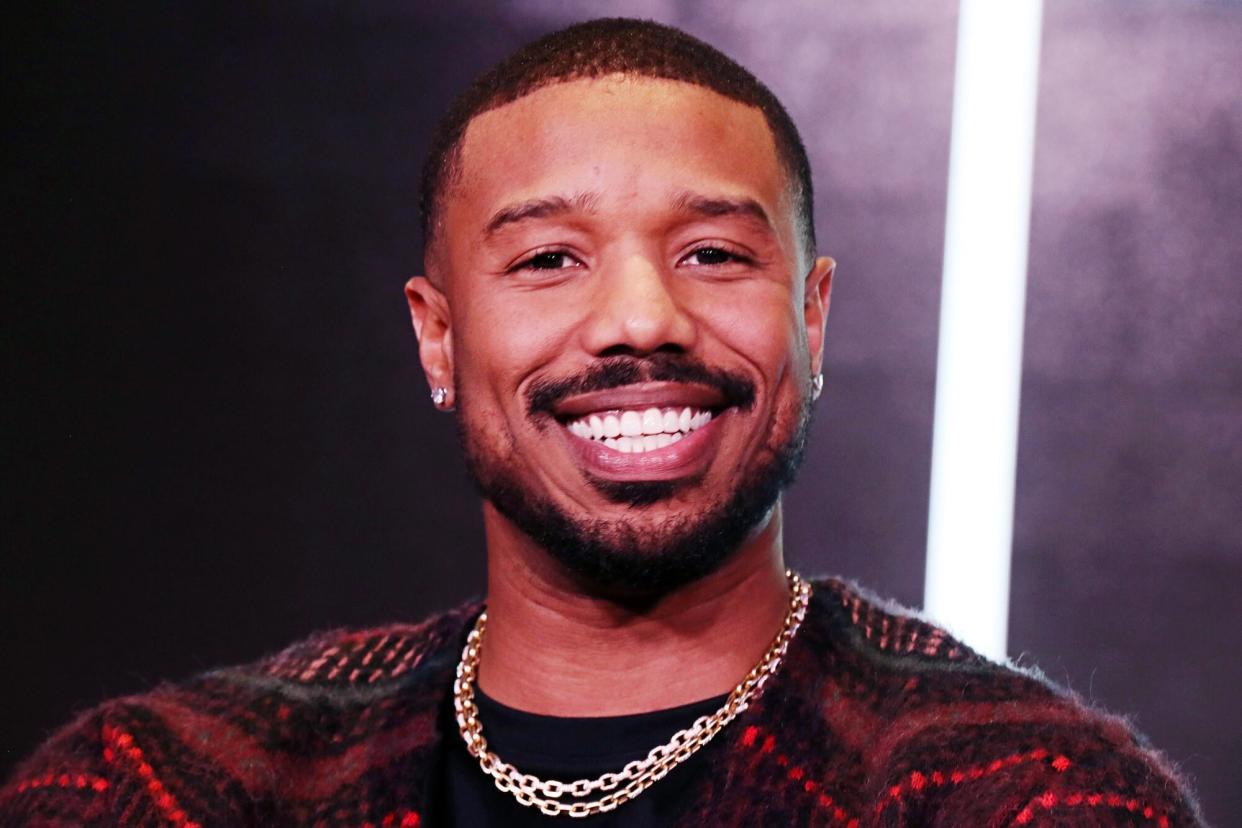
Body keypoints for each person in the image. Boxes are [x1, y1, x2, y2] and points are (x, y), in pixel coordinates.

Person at [1, 18, 1202, 827]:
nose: (640, 318)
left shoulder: (1031, 797)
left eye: (715, 252)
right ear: (437, 335)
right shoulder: (162, 788)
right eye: (549, 258)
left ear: (812, 318)